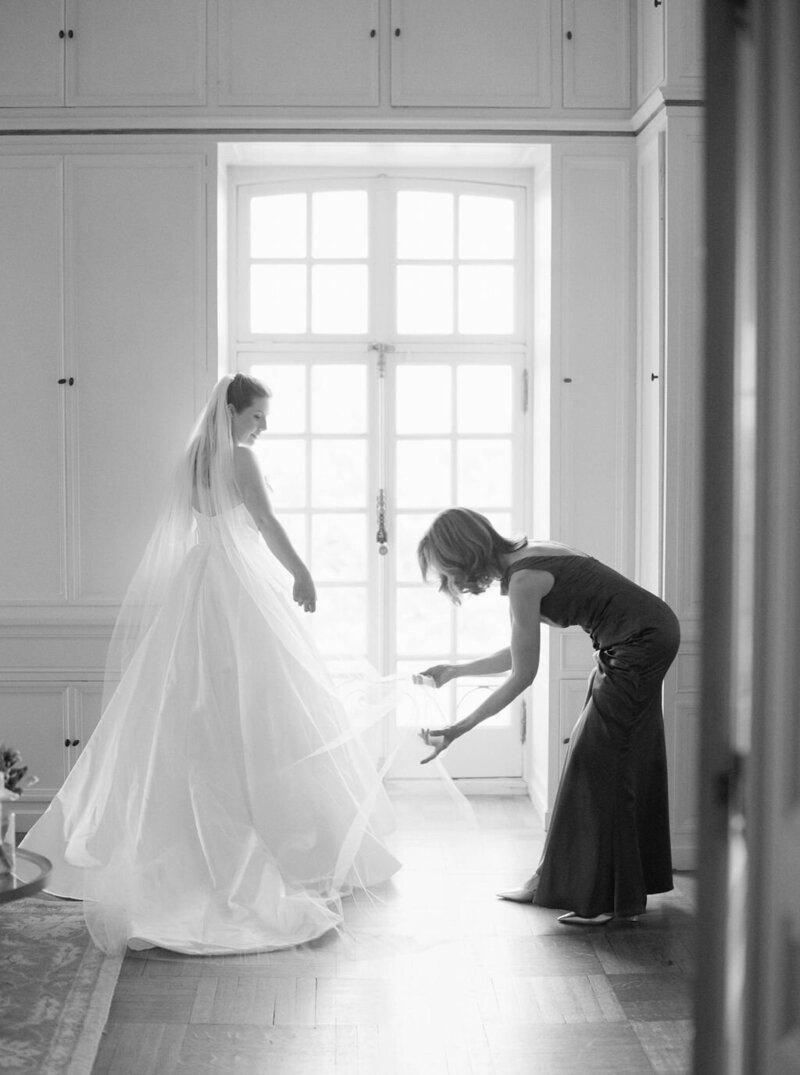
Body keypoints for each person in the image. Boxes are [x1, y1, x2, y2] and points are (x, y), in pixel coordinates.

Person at [21, 374, 399, 954]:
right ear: (232, 412)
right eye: (257, 417)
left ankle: (184, 841)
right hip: (238, 587)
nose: (262, 428)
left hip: (200, 584)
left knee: (194, 706)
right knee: (263, 705)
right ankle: (286, 843)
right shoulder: (238, 459)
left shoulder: (192, 461)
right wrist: (302, 572)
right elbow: (266, 525)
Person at [416, 507, 680, 925]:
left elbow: (523, 674)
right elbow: (519, 649)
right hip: (638, 638)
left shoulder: (523, 581)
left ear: (463, 555)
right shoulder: (528, 554)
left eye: (448, 573)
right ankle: (555, 880)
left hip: (638, 643)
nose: (453, 584)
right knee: (601, 756)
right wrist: (456, 671)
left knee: (598, 765)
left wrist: (459, 728)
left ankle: (606, 900)